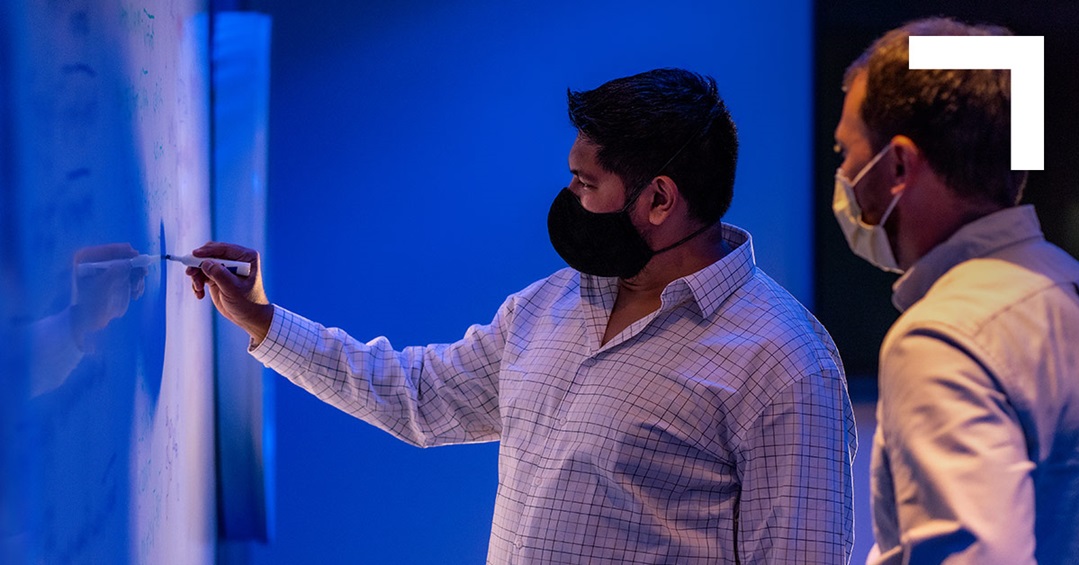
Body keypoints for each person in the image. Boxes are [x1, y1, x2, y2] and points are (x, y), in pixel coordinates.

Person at [190, 68, 856, 563]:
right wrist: (264, 321)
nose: (568, 196)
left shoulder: (785, 359)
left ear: (659, 199)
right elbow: (419, 396)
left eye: (586, 183)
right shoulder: (550, 304)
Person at [831, 17, 1079, 564]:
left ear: (897, 164)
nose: (845, 175)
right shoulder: (1065, 282)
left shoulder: (942, 337)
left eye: (845, 153)